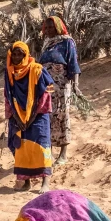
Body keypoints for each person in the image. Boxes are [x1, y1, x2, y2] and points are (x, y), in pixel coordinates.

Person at [4, 41, 53, 191]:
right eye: (15, 54)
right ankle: (26, 181)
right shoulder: (9, 72)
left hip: (38, 114)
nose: (18, 57)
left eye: (21, 54)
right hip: (17, 115)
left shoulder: (37, 70)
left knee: (41, 146)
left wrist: (31, 117)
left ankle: (45, 182)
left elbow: (47, 93)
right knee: (19, 146)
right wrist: (15, 117)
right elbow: (7, 95)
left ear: (27, 55)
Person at [38, 15, 82, 164]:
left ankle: (63, 154)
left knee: (62, 115)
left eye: (51, 27)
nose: (49, 30)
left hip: (62, 85)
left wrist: (75, 84)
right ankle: (48, 153)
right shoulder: (47, 44)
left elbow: (73, 64)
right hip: (46, 87)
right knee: (47, 116)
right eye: (47, 27)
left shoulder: (67, 42)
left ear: (58, 26)